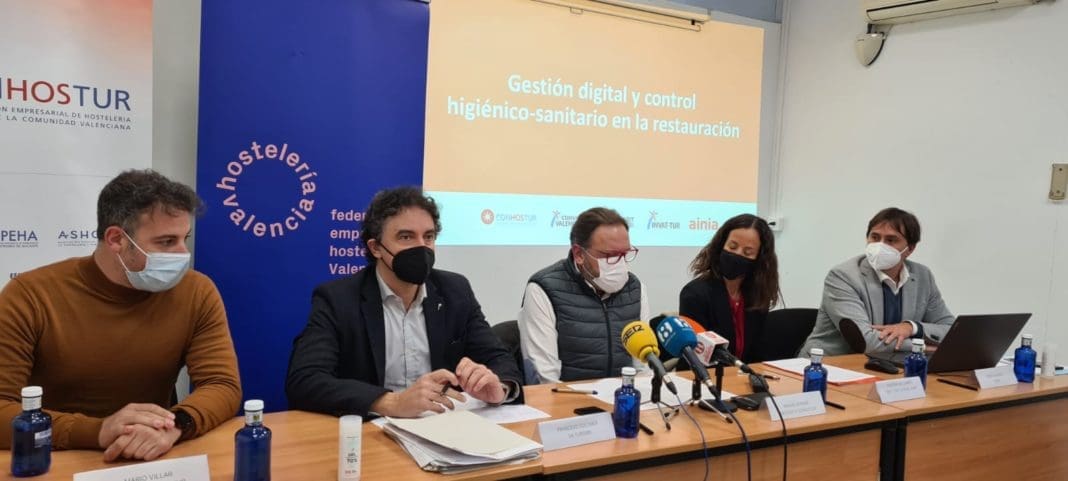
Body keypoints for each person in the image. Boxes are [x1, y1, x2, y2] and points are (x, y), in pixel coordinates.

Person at [0, 169, 242, 461]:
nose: (182, 254)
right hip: (55, 457)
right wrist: (97, 431)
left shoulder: (196, 291)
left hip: (151, 455)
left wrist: (176, 425)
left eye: (184, 239)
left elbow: (222, 384)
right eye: (166, 242)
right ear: (116, 239)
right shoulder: (30, 295)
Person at [285, 187, 522, 418]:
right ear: (376, 248)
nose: (421, 247)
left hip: (442, 425)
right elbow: (305, 380)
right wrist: (391, 402)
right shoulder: (338, 298)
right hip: (373, 429)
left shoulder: (455, 290)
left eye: (428, 237)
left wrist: (500, 388)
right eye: (406, 237)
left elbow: (499, 358)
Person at [517, 207, 649, 383]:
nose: (620, 264)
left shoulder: (635, 288)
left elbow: (642, 368)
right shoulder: (543, 289)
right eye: (610, 255)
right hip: (566, 397)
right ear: (579, 254)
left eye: (624, 254)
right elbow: (545, 378)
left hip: (624, 395)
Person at [801, 207, 954, 356]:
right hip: (828, 364)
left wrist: (912, 328)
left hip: (890, 365)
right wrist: (922, 347)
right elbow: (865, 341)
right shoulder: (843, 276)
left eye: (891, 240)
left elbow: (950, 329)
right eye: (874, 237)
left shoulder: (922, 276)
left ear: (910, 249)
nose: (880, 245)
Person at [678, 214, 780, 363]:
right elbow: (698, 355)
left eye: (747, 252)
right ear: (721, 245)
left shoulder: (757, 294)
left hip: (743, 373)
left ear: (759, 258)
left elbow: (758, 352)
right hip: (705, 374)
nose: (737, 254)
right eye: (732, 247)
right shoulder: (695, 294)